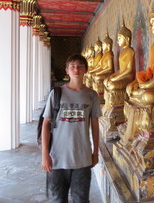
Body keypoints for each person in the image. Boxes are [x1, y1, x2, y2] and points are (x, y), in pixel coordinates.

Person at [41, 54, 100, 203]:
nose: (76, 69)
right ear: (67, 70)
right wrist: (44, 155)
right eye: (72, 66)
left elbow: (94, 125)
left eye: (80, 66)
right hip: (57, 158)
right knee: (57, 199)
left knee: (81, 199)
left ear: (85, 70)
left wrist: (95, 152)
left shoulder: (92, 95)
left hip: (82, 159)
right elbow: (46, 124)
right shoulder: (56, 93)